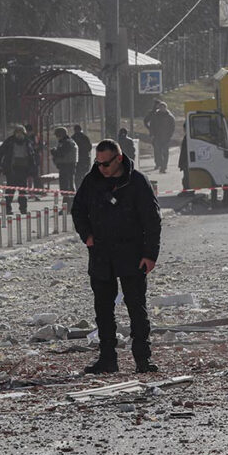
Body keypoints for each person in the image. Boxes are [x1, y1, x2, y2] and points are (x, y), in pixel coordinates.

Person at [71, 139, 161, 374]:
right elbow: (77, 209)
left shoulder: (137, 182)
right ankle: (107, 359)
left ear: (119, 159)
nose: (101, 168)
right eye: (98, 163)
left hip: (131, 255)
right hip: (101, 255)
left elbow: (152, 220)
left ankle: (142, 360)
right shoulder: (92, 181)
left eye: (106, 164)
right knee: (103, 310)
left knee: (136, 309)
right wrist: (87, 236)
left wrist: (150, 255)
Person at [0, 125, 37, 214]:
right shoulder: (9, 141)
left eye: (21, 133)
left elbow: (32, 155)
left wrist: (33, 168)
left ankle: (23, 208)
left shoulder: (28, 142)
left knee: (22, 190)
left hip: (23, 169)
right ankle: (8, 209)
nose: (19, 135)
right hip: (11, 169)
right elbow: (0, 151)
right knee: (10, 190)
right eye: (17, 133)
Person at [144, 99, 175, 173]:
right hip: (157, 137)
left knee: (165, 153)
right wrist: (152, 134)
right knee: (157, 152)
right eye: (160, 107)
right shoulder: (155, 116)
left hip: (166, 138)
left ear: (166, 108)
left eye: (163, 107)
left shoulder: (170, 117)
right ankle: (159, 164)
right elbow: (152, 125)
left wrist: (169, 136)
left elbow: (172, 127)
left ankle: (164, 167)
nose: (162, 109)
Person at [50, 126, 78, 204]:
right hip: (67, 167)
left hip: (67, 167)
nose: (56, 137)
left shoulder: (67, 142)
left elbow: (61, 153)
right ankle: (68, 205)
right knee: (67, 187)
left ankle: (68, 206)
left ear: (61, 134)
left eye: (57, 135)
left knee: (66, 187)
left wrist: (54, 151)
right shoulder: (66, 142)